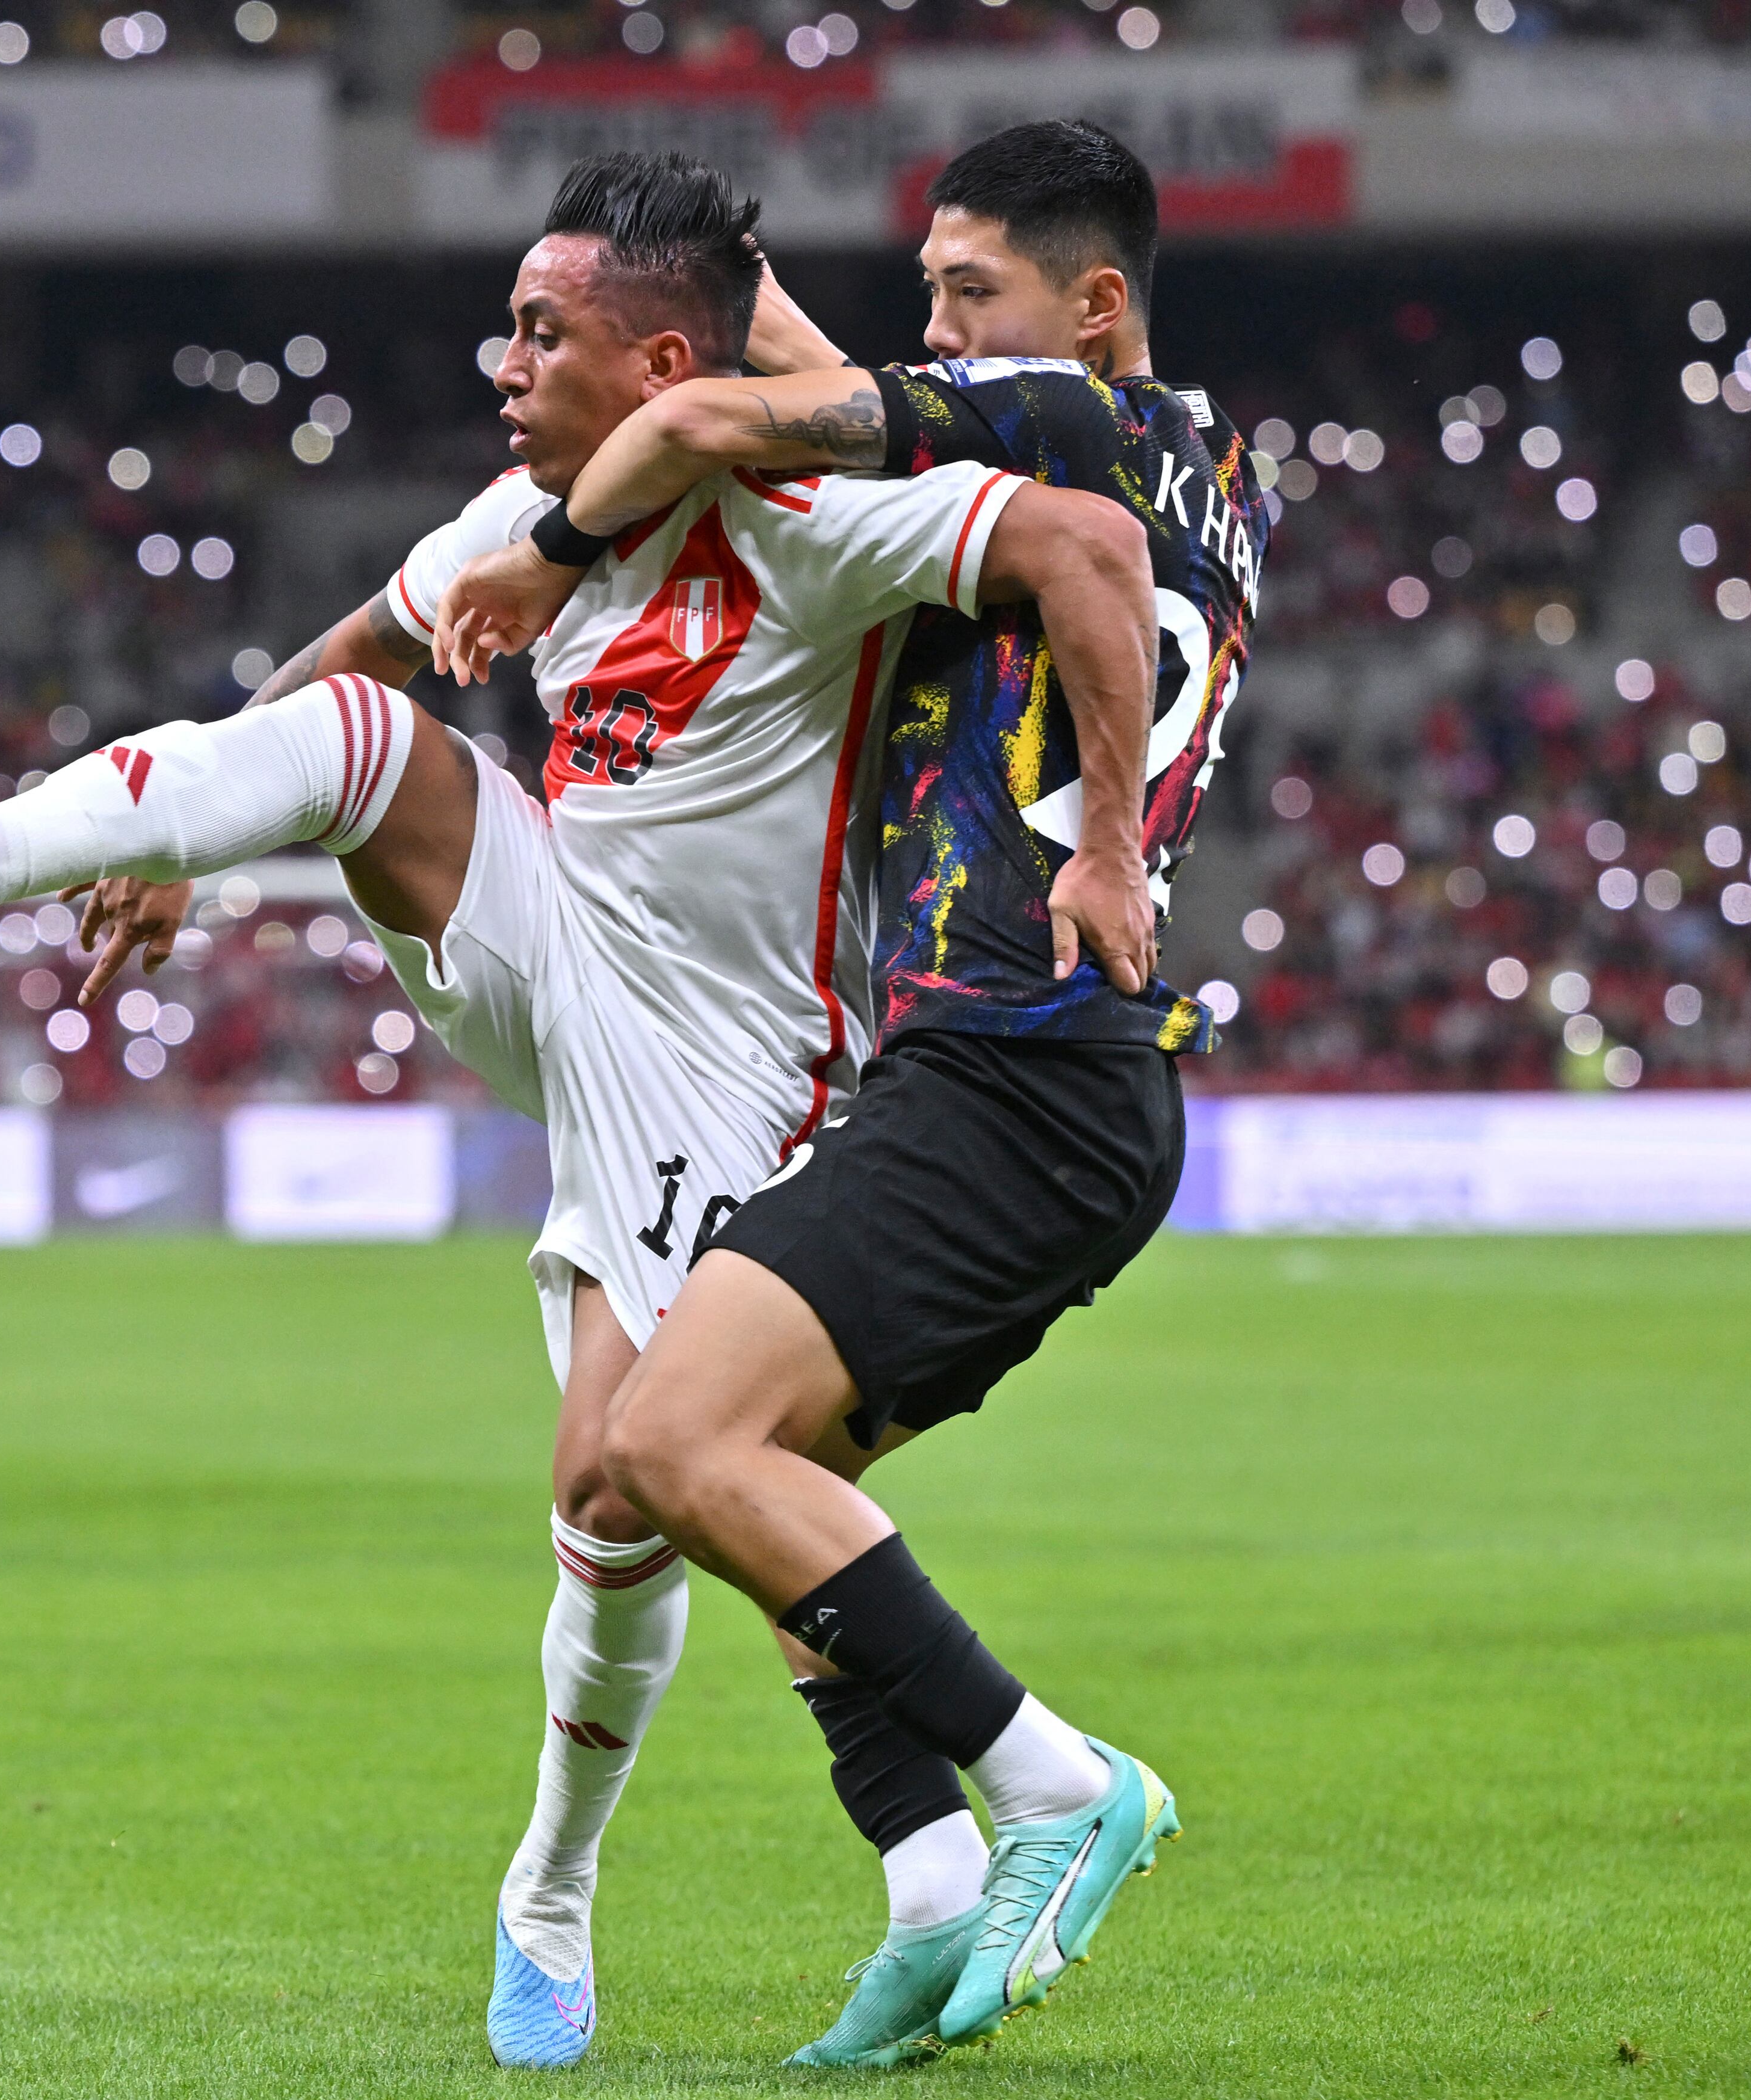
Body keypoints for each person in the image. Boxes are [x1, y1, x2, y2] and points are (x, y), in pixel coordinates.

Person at [0, 152, 1160, 2067]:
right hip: (551, 933)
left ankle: (576, 1880)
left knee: (618, 1492)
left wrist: (1111, 840)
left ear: (660, 359)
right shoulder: (522, 522)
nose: (500, 360)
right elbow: (343, 664)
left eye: (542, 330)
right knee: (361, 741)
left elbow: (1078, 551)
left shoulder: (822, 520)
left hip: (738, 1059)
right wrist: (184, 829)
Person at [441, 119, 1261, 2060]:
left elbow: (717, 413)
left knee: (666, 1442)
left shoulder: (1060, 428)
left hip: (1018, 1064)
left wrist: (547, 560)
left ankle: (1060, 1791)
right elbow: (794, 361)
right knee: (767, 1506)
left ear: (1094, 306)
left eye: (970, 294)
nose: (938, 332)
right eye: (930, 297)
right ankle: (924, 1881)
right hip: (1033, 1083)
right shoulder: (1200, 451)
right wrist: (714, 237)